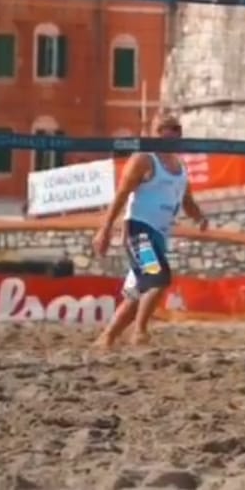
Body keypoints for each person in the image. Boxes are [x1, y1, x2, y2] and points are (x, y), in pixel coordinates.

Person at [93, 112, 209, 347]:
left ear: (178, 135)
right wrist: (104, 229)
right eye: (162, 131)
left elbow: (187, 200)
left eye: (172, 130)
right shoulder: (144, 159)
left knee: (137, 292)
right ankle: (140, 331)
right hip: (139, 231)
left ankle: (107, 338)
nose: (168, 135)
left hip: (159, 235)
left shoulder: (180, 166)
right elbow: (121, 195)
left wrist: (200, 217)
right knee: (157, 278)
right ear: (154, 134)